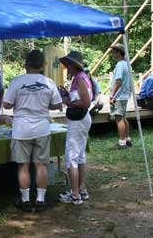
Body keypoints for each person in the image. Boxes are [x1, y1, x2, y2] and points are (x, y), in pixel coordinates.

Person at [3, 50, 62, 212]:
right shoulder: (49, 82)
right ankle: (41, 200)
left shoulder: (16, 81)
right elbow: (57, 105)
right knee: (40, 165)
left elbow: (6, 105)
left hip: (21, 129)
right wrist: (44, 104)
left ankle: (26, 200)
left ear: (25, 64)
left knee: (23, 166)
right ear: (43, 65)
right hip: (42, 128)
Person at [58, 51, 92, 205]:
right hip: (81, 119)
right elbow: (80, 99)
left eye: (67, 64)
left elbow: (85, 102)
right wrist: (67, 95)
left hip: (78, 119)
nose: (66, 67)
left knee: (71, 157)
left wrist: (67, 101)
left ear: (73, 65)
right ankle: (81, 189)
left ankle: (75, 194)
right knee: (79, 156)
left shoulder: (79, 79)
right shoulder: (80, 78)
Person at [109, 44, 132, 149]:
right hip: (125, 94)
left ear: (119, 52)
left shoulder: (119, 65)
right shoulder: (127, 64)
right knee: (123, 117)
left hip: (119, 96)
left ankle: (122, 143)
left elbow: (118, 81)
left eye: (114, 51)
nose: (112, 53)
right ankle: (127, 140)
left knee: (119, 118)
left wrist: (112, 95)